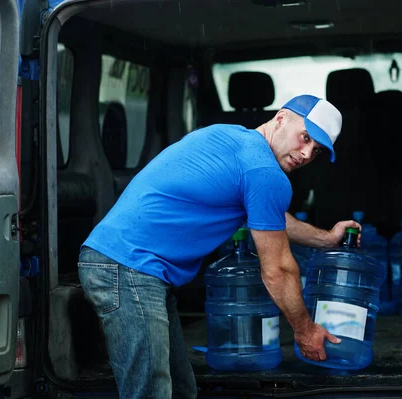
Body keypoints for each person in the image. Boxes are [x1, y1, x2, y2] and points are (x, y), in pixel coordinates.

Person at [79, 94, 360, 398]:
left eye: (316, 151)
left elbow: (271, 220)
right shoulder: (263, 171)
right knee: (151, 392)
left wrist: (326, 238)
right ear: (280, 119)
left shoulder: (230, 138)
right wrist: (305, 330)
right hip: (128, 266)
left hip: (130, 265)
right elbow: (277, 270)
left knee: (180, 390)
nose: (306, 154)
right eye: (305, 138)